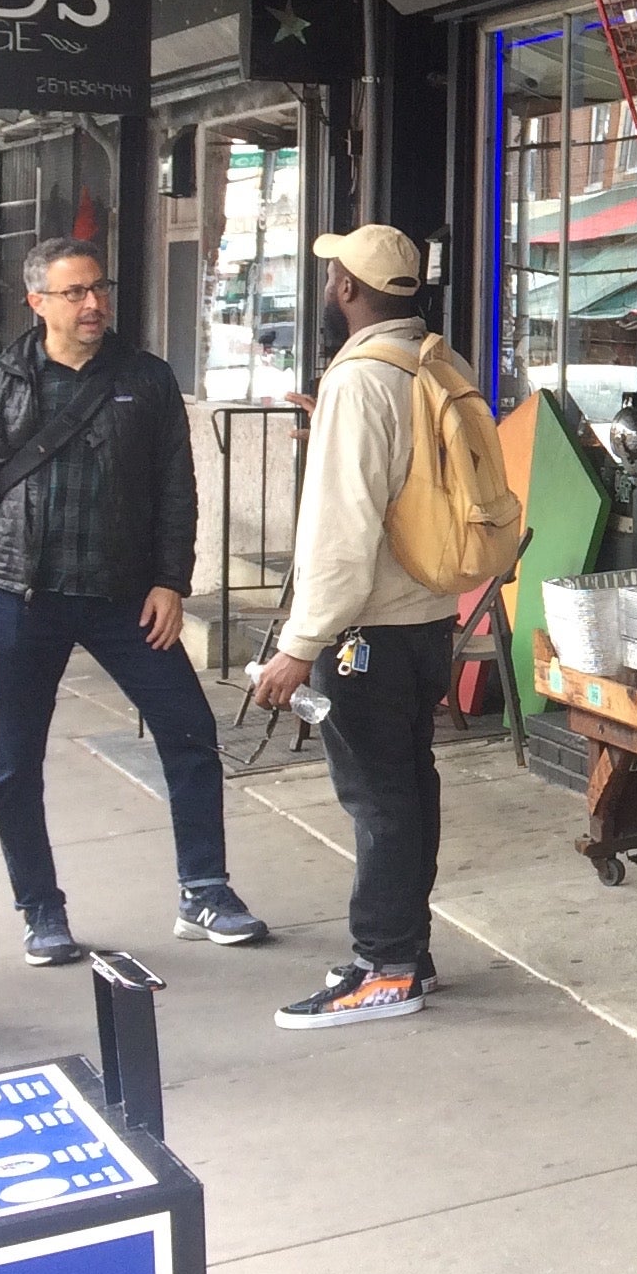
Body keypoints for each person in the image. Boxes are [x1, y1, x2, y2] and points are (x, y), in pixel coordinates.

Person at [0, 238, 268, 964]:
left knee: (188, 731)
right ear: (38, 303)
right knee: (13, 763)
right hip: (24, 596)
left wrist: (171, 581)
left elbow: (177, 490)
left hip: (125, 598)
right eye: (76, 292)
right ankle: (40, 911)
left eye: (100, 289)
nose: (94, 305)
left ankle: (204, 889)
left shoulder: (144, 380)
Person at [251, 225, 462, 1029]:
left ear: (346, 288)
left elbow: (341, 535)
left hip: (363, 631)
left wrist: (298, 646)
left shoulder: (358, 384)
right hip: (428, 620)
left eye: (331, 273)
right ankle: (410, 948)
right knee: (410, 788)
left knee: (377, 799)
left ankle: (385, 965)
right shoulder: (436, 363)